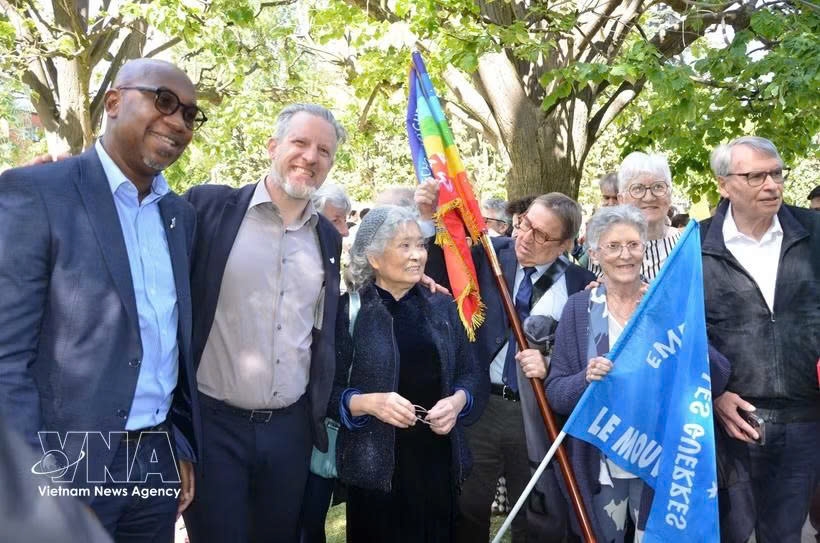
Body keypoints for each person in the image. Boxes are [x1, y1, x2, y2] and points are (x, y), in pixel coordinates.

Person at [0, 58, 202, 541]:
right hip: (64, 461)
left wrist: (177, 443)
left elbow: (165, 343)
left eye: (191, 114)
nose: (177, 121)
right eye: (164, 100)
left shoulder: (179, 216)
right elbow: (6, 359)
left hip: (153, 457)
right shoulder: (38, 192)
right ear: (113, 102)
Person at [182, 103, 345, 543]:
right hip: (214, 429)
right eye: (300, 143)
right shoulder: (209, 209)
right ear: (273, 146)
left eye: (324, 151)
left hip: (289, 434)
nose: (311, 157)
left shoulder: (327, 239)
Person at [546, 205, 731, 542]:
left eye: (633, 244)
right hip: (601, 464)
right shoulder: (579, 308)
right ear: (595, 252)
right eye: (613, 246)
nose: (625, 255)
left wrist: (672, 317)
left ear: (644, 248)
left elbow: (717, 375)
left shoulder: (666, 303)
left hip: (663, 463)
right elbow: (557, 392)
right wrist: (584, 378)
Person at [331, 205, 487, 542]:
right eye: (404, 246)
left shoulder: (442, 307)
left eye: (420, 245)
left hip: (437, 464)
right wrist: (367, 403)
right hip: (375, 471)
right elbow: (325, 392)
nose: (418, 255)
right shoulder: (350, 312)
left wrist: (458, 402)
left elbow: (471, 375)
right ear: (373, 258)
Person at [701, 136, 819, 543]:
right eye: (756, 176)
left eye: (776, 174)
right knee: (724, 534)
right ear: (724, 184)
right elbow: (682, 335)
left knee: (785, 535)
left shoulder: (815, 233)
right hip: (730, 423)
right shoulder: (695, 247)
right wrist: (715, 393)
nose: (772, 185)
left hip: (806, 419)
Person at [589, 152, 681, 281]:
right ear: (621, 199)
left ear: (670, 194)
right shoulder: (605, 248)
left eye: (658, 186)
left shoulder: (687, 243)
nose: (649, 197)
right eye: (637, 188)